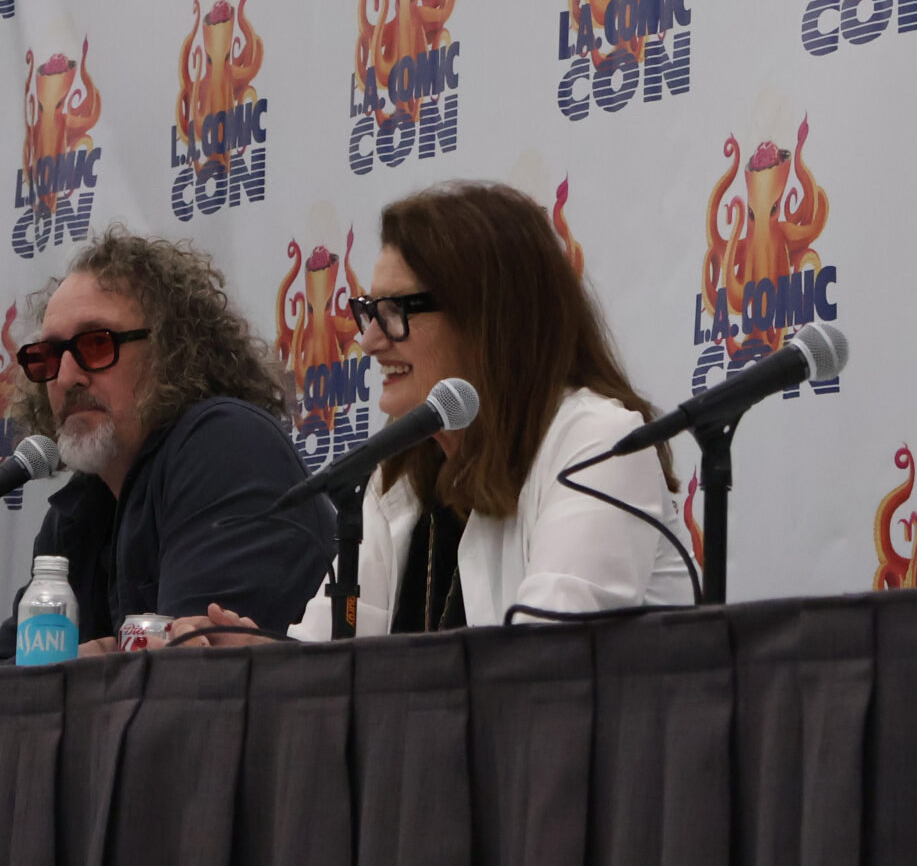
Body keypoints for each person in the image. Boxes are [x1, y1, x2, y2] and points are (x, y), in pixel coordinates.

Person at [284, 181, 693, 639]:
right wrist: (257, 653)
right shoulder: (399, 475)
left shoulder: (599, 445)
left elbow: (549, 655)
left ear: (486, 320)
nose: (370, 340)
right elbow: (328, 657)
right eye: (369, 310)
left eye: (395, 311)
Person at [0, 227, 332, 660]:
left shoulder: (227, 445)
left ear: (173, 350)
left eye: (96, 344)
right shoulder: (80, 508)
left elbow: (186, 669)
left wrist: (77, 662)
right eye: (47, 356)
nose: (66, 378)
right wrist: (89, 658)